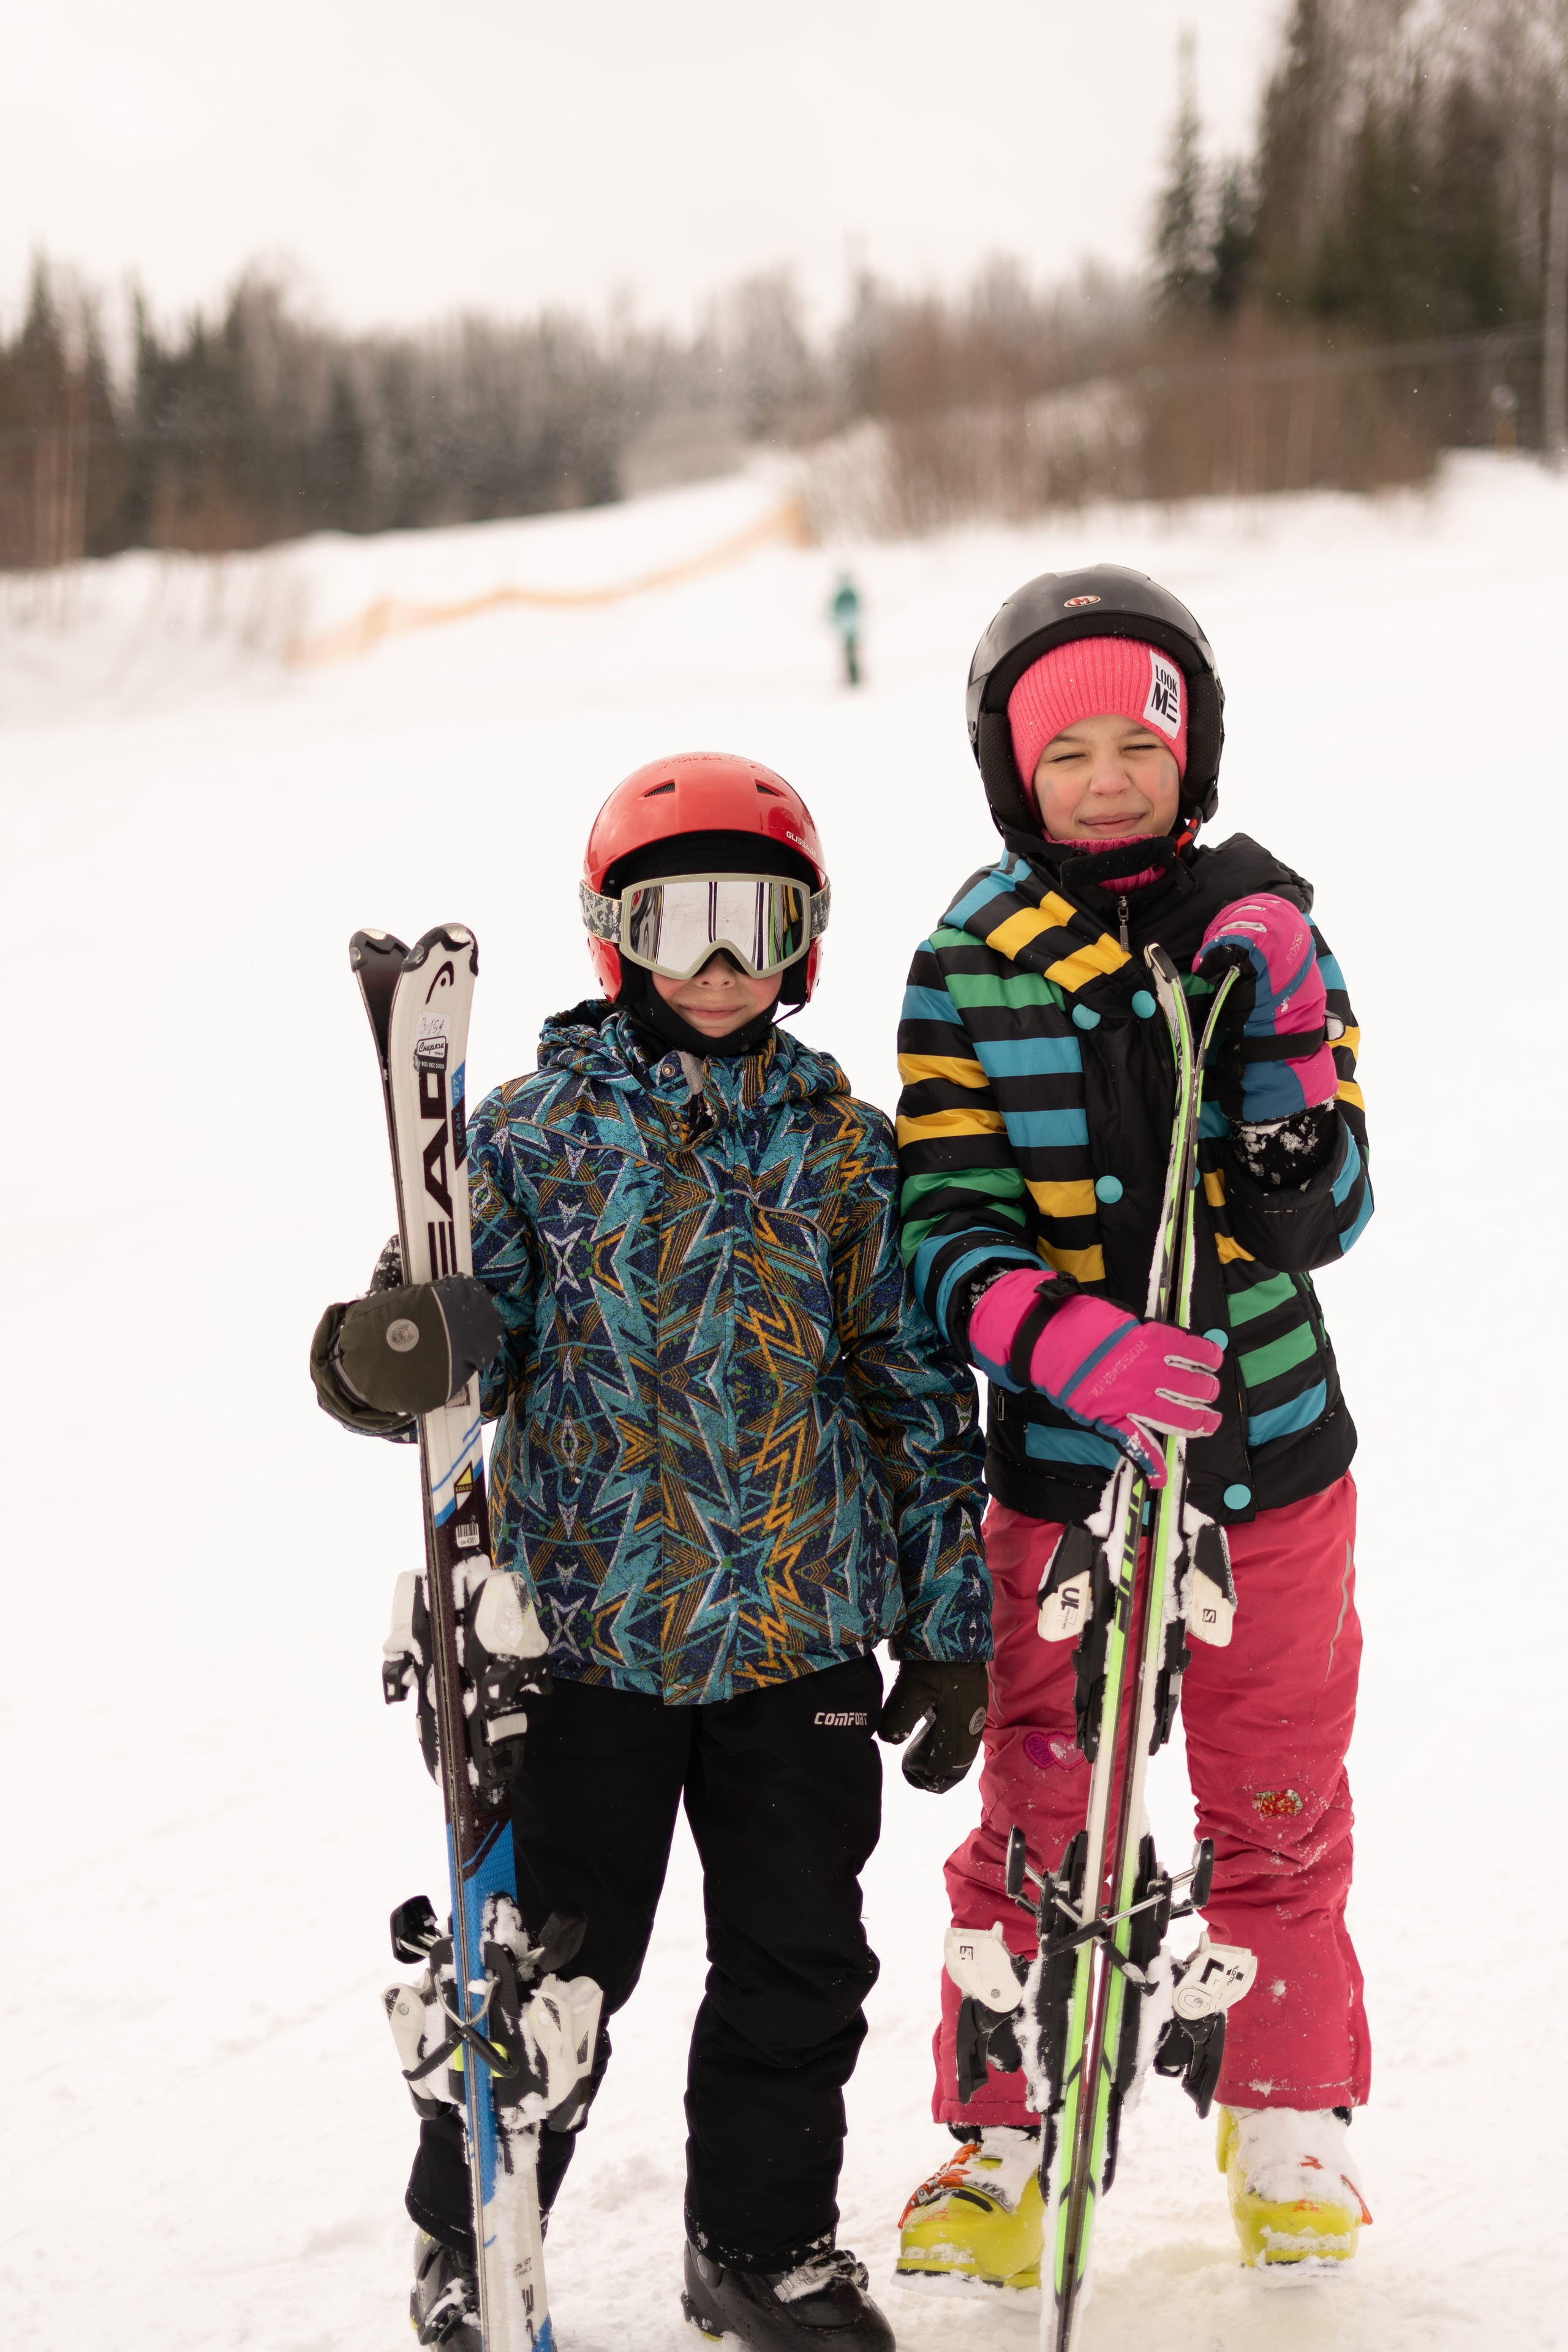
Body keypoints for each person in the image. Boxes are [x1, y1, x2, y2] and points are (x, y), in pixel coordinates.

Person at [311, 752, 992, 2351]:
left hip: (800, 1642)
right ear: (614, 936)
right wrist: (381, 1353)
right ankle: (477, 2228)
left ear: (803, 939)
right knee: (551, 1970)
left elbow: (912, 1393)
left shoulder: (849, 1151)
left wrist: (948, 1626)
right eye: (672, 921)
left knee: (799, 1967)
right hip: (582, 1649)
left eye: (752, 921)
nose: (715, 962)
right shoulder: (532, 1142)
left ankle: (759, 2250)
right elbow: (426, 1359)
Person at [889, 567, 1374, 2285]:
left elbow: (1329, 1213)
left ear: (1195, 749)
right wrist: (1065, 1343)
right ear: (1013, 772)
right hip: (1065, 1466)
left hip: (1270, 1457)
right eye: (1066, 748)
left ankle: (1287, 2116)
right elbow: (935, 1232)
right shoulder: (966, 962)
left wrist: (1292, 1057)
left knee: (1276, 1789)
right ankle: (1001, 2136)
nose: (1106, 776)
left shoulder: (1265, 925)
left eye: (1138, 742)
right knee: (1043, 1792)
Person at [829, 573, 862, 687]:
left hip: (848, 630)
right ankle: (854, 676)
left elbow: (839, 613)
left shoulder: (843, 595)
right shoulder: (850, 594)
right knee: (851, 654)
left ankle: (854, 677)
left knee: (850, 655)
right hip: (851, 630)